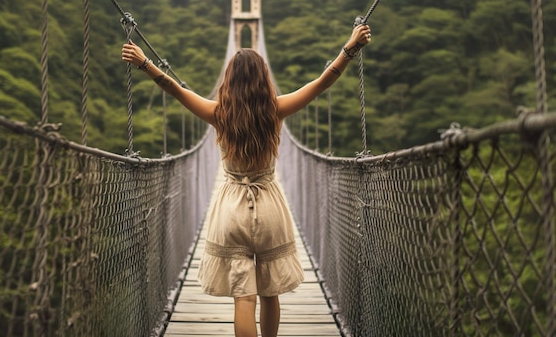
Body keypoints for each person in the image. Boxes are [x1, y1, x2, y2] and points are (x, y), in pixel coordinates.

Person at [122, 23, 371, 337]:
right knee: (271, 292)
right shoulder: (276, 109)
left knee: (244, 297)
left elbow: (176, 90)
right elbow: (322, 82)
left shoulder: (217, 113)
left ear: (229, 79)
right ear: (263, 77)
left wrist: (145, 63)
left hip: (231, 211)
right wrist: (350, 48)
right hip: (270, 208)